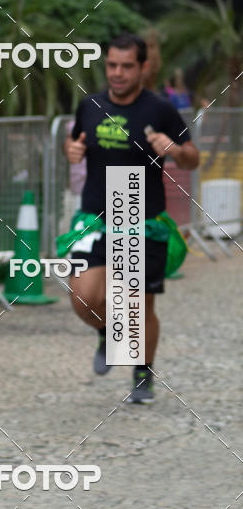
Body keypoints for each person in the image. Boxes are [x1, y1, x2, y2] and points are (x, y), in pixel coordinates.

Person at [61, 33, 199, 403]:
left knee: (137, 303)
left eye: (126, 66)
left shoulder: (160, 110)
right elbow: (75, 142)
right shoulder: (89, 105)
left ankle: (142, 372)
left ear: (143, 68)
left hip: (137, 209)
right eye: (111, 66)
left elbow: (192, 157)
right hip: (95, 212)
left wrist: (174, 150)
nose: (117, 73)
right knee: (82, 297)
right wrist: (71, 150)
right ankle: (108, 332)